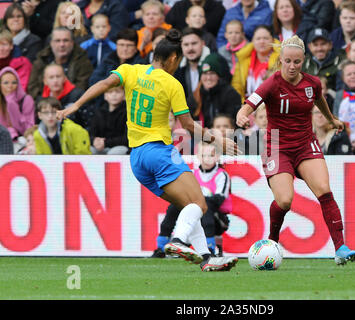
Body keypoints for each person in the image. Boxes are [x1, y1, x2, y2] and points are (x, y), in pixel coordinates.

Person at [57, 28, 239, 272]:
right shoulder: (172, 83)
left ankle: (207, 258)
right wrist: (218, 140)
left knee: (189, 206)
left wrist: (76, 104)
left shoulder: (130, 70)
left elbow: (103, 83)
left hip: (137, 159)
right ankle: (178, 240)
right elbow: (187, 124)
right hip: (159, 152)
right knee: (200, 203)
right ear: (174, 59)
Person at [236, 35, 355, 265]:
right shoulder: (271, 83)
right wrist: (242, 116)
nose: (292, 66)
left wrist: (331, 120)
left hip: (305, 144)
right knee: (284, 201)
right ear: (280, 60)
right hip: (277, 146)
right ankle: (272, 241)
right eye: (287, 61)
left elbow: (319, 100)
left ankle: (340, 247)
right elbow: (248, 106)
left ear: (303, 61)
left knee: (324, 189)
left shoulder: (312, 83)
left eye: (297, 62)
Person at [152, 141, 232, 258]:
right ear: (198, 157)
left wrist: (198, 201)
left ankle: (209, 248)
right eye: (204, 155)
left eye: (211, 155)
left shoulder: (222, 175)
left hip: (218, 219)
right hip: (197, 213)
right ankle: (161, 247)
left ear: (218, 157)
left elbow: (219, 199)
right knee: (175, 206)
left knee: (205, 204)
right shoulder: (193, 174)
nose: (207, 159)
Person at [28, 27, 94, 100]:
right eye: (57, 41)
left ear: (72, 43)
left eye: (65, 40)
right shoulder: (41, 60)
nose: (62, 44)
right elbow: (33, 88)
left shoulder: (83, 61)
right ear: (51, 43)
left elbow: (82, 87)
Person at [189, 53, 241, 128]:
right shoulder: (194, 97)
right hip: (202, 137)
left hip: (226, 136)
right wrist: (202, 132)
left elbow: (234, 122)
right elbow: (191, 123)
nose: (208, 77)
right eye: (205, 73)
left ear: (218, 76)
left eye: (212, 73)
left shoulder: (230, 94)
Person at [38, 64, 94, 131]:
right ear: (45, 81)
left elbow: (90, 122)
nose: (55, 80)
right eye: (51, 77)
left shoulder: (78, 95)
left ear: (65, 78)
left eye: (58, 76)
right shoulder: (41, 100)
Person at [232, 25, 280, 102]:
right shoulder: (244, 59)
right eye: (258, 39)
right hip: (246, 105)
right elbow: (237, 86)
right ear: (253, 41)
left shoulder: (280, 59)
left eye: (266, 38)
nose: (262, 41)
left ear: (273, 40)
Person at [89, 86, 128, 155]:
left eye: (118, 92)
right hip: (101, 146)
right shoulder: (99, 112)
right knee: (90, 150)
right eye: (110, 92)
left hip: (119, 146)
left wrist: (106, 142)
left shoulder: (128, 113)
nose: (114, 95)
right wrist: (94, 141)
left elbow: (126, 138)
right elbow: (91, 133)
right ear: (105, 96)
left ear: (124, 96)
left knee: (114, 153)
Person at [0, 67, 35, 143]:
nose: (10, 86)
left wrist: (11, 103)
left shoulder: (26, 100)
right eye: (6, 83)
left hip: (22, 141)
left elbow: (26, 130)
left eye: (14, 82)